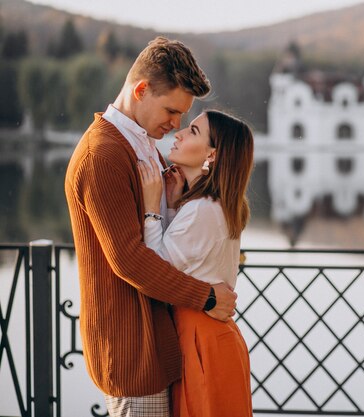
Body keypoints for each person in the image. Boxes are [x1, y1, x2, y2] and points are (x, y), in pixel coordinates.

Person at [64, 37, 237, 417]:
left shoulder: (141, 145)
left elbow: (162, 239)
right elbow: (128, 259)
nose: (176, 125)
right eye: (172, 111)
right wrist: (206, 296)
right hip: (131, 351)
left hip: (159, 345)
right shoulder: (103, 155)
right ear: (141, 90)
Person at [138, 109, 254, 417]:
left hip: (201, 341)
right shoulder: (211, 205)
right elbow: (189, 259)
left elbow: (157, 270)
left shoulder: (203, 210)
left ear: (212, 155)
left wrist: (152, 210)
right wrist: (176, 207)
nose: (178, 134)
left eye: (192, 131)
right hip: (210, 337)